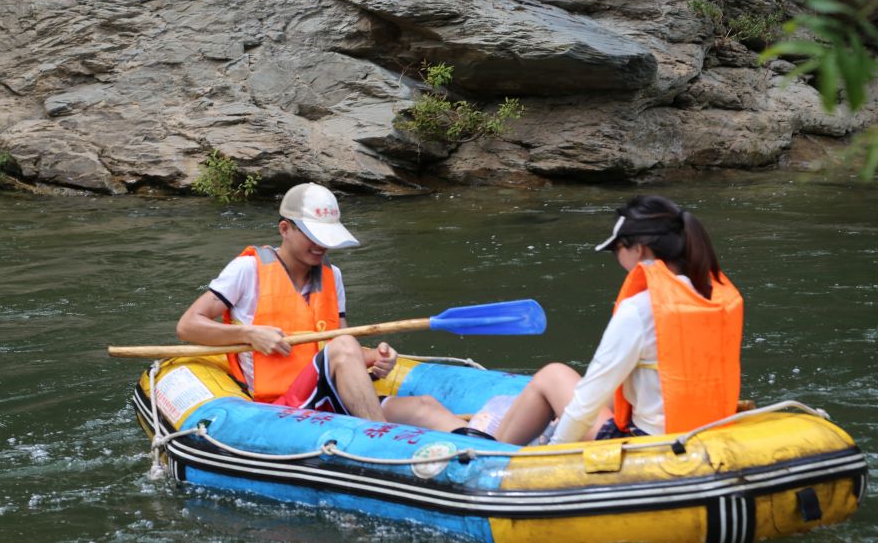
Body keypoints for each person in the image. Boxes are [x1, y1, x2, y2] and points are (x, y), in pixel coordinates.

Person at [176, 182, 469, 433]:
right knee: (343, 347)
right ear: (285, 229)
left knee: (424, 407)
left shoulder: (333, 276)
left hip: (328, 393)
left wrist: (375, 358)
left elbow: (340, 344)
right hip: (281, 406)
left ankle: (490, 452)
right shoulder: (247, 270)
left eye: (325, 237)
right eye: (312, 236)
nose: (321, 246)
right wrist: (250, 334)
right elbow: (188, 326)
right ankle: (382, 438)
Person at [490, 195, 744, 445]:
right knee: (614, 386)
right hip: (706, 434)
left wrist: (556, 449)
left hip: (653, 444)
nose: (616, 258)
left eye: (615, 249)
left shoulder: (640, 308)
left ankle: (490, 453)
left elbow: (586, 402)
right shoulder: (710, 294)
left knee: (552, 375)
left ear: (638, 248)